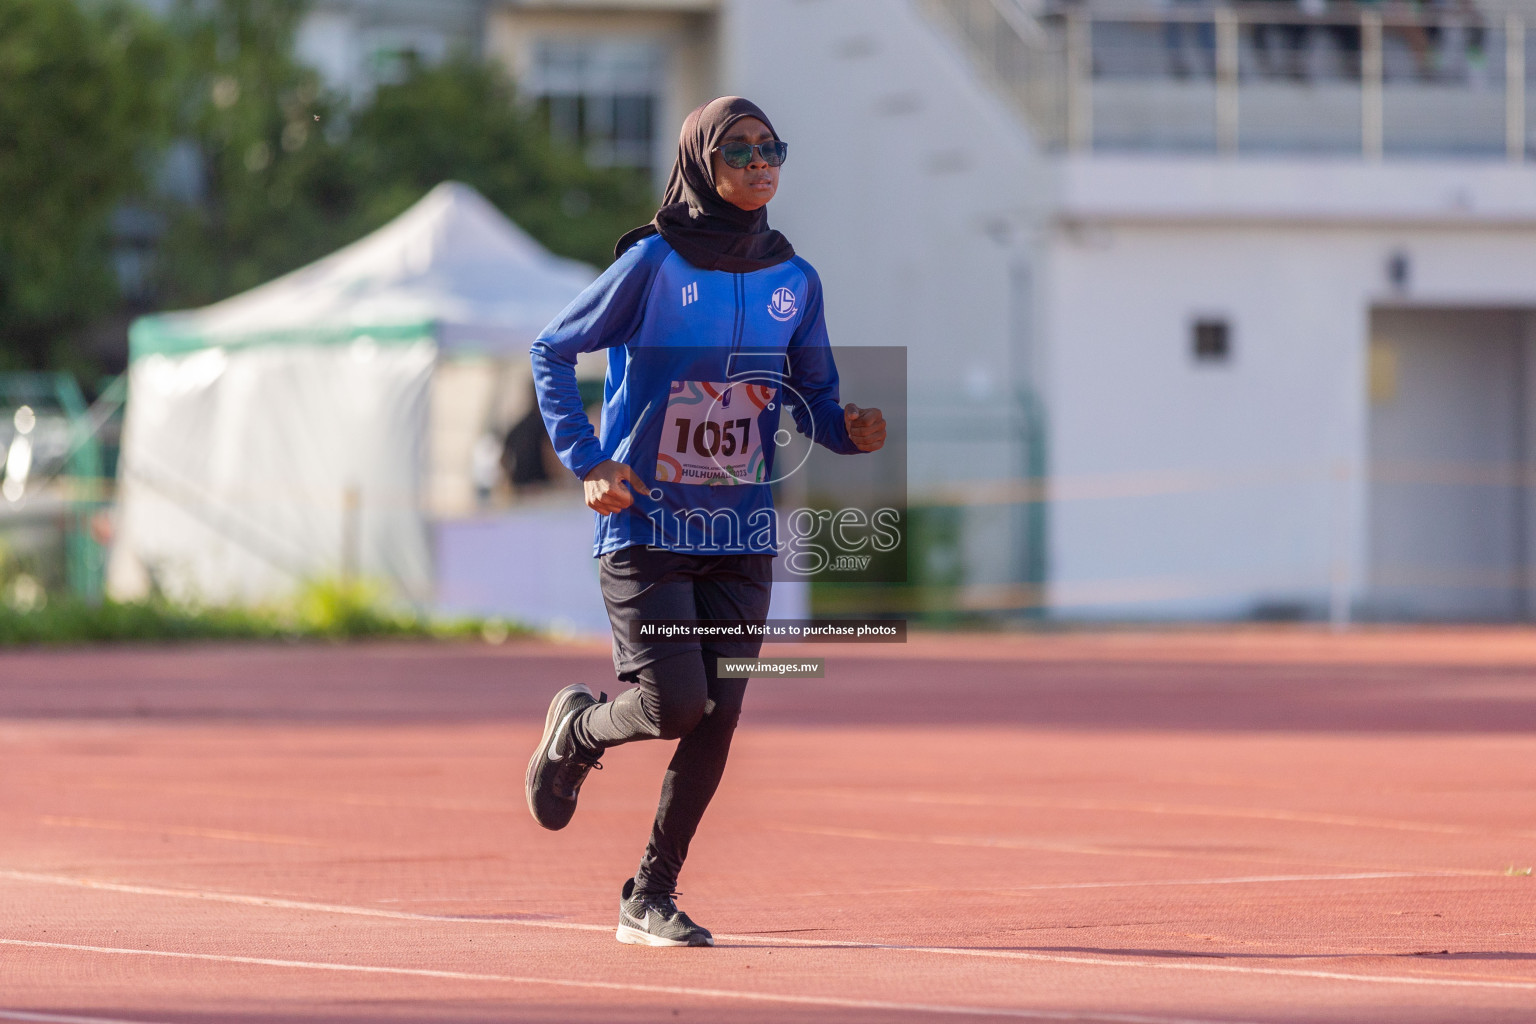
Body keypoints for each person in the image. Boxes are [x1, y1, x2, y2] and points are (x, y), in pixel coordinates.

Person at [524, 96, 886, 948]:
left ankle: (648, 895)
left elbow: (814, 398)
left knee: (719, 716)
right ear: (701, 161)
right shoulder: (652, 264)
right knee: (673, 704)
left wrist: (849, 430)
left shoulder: (795, 279)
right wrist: (587, 459)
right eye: (742, 149)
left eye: (773, 149)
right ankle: (577, 731)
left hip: (738, 534)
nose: (762, 163)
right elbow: (551, 348)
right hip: (646, 526)